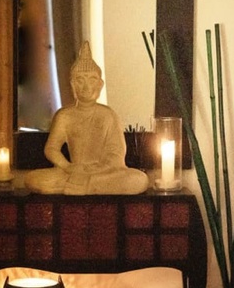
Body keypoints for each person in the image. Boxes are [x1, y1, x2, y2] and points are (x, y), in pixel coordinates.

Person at [24, 41, 148, 195]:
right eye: (80, 80)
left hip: (100, 173)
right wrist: (68, 167)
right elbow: (51, 149)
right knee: (32, 179)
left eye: (92, 80)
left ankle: (85, 186)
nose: (86, 86)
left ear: (100, 85)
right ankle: (84, 185)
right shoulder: (64, 116)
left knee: (138, 180)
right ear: (73, 85)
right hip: (73, 170)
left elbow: (116, 154)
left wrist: (95, 170)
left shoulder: (108, 115)